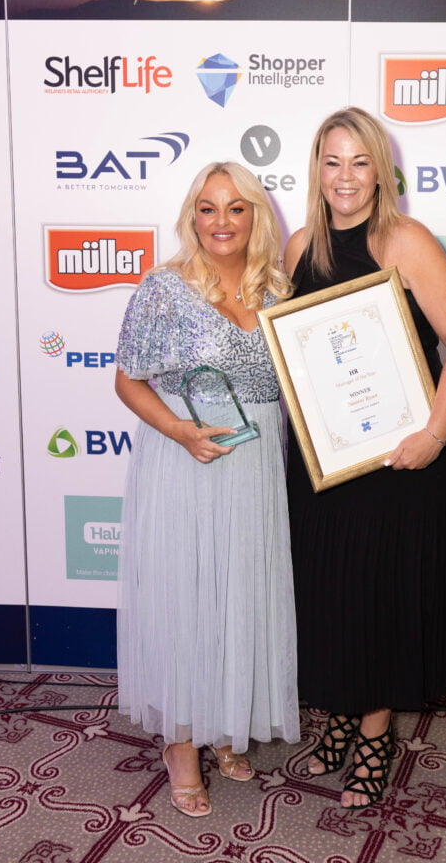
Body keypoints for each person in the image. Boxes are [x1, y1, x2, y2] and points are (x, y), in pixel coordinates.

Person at [284, 108, 446, 810]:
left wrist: (433, 433)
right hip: (326, 463)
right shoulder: (299, 245)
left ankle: (374, 734)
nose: (345, 177)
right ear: (317, 170)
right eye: (332, 162)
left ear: (381, 171)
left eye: (359, 161)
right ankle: (340, 715)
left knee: (380, 595)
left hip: (399, 460)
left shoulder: (405, 240)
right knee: (331, 592)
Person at [115, 162, 300, 818]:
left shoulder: (278, 290)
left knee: (240, 593)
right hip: (185, 463)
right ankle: (182, 745)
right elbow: (127, 380)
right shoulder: (164, 288)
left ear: (256, 216)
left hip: (257, 467)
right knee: (186, 595)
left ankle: (225, 727)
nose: (222, 221)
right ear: (192, 216)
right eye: (208, 207)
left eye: (236, 207)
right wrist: (179, 431)